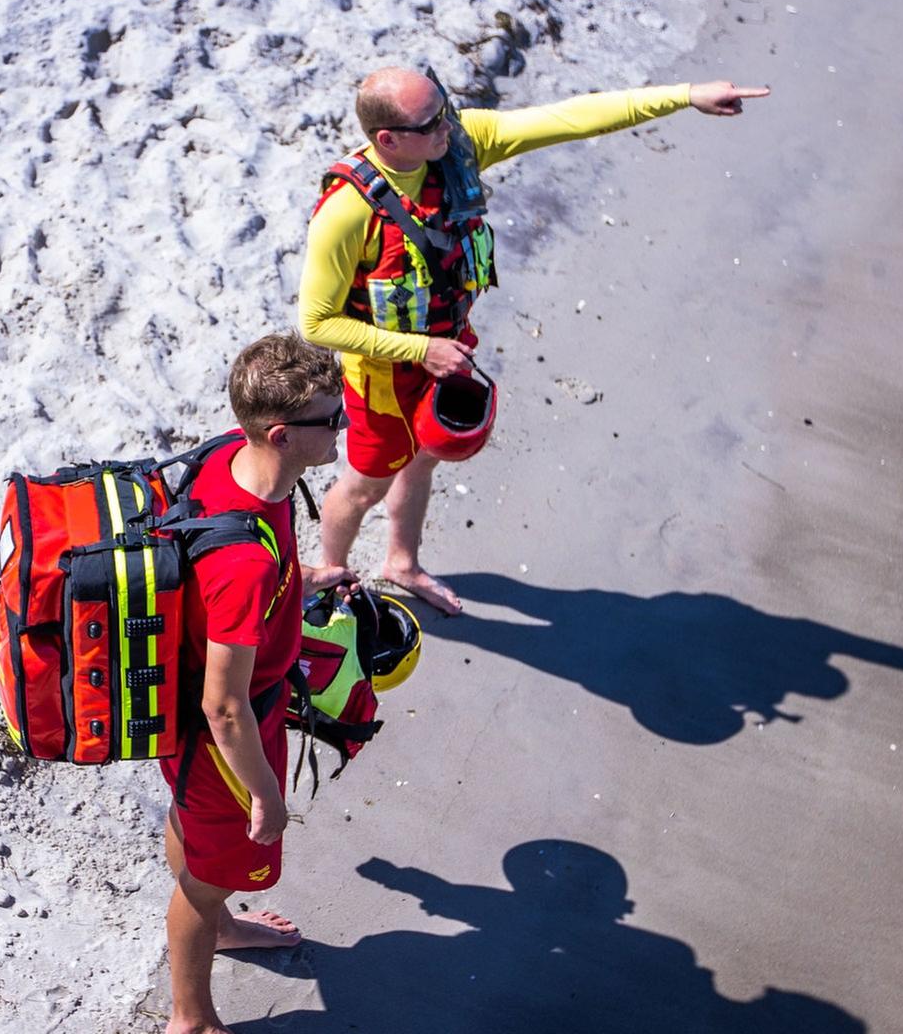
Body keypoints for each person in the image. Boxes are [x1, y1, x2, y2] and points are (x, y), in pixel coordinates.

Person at [300, 68, 771, 614]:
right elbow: (316, 323)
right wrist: (419, 351)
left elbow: (570, 118)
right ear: (388, 139)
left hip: (449, 345)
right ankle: (330, 579)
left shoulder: (458, 145)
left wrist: (687, 95)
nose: (449, 128)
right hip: (384, 374)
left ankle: (401, 562)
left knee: (425, 457)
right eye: (432, 123)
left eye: (446, 109)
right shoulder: (346, 211)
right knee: (364, 487)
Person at [160, 332, 358, 1034]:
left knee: (197, 833)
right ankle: (191, 1018)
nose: (344, 423)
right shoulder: (243, 567)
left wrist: (299, 592)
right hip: (221, 730)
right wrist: (267, 797)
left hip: (201, 715)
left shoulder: (228, 455)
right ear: (280, 433)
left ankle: (220, 925)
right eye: (332, 417)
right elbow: (223, 706)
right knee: (209, 876)